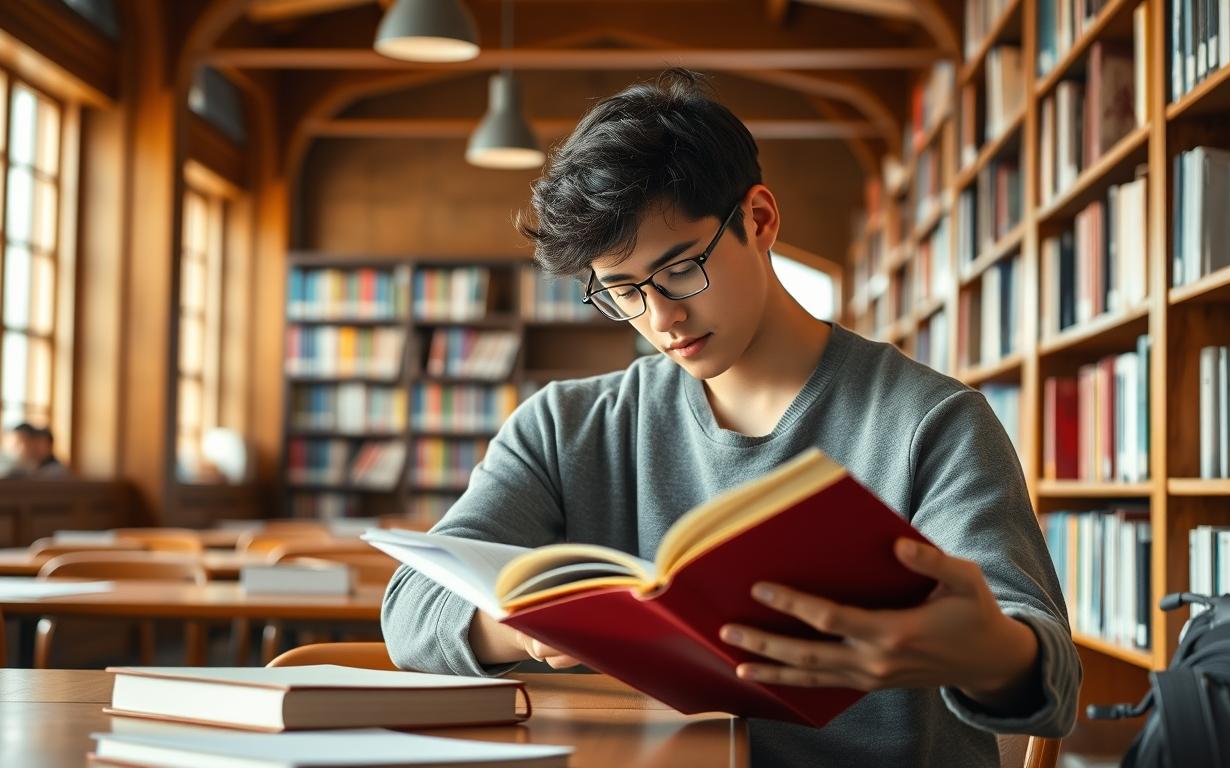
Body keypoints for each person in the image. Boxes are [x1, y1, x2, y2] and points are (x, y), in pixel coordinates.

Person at [382, 70, 1080, 766]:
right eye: (622, 291)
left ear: (760, 219)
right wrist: (523, 629)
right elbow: (411, 605)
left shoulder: (931, 422)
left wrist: (992, 652)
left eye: (681, 269)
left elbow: (1052, 683)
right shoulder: (565, 427)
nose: (660, 318)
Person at [5, 423, 70, 478]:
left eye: (18, 443)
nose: (14, 449)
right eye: (13, 445)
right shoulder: (26, 467)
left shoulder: (56, 472)